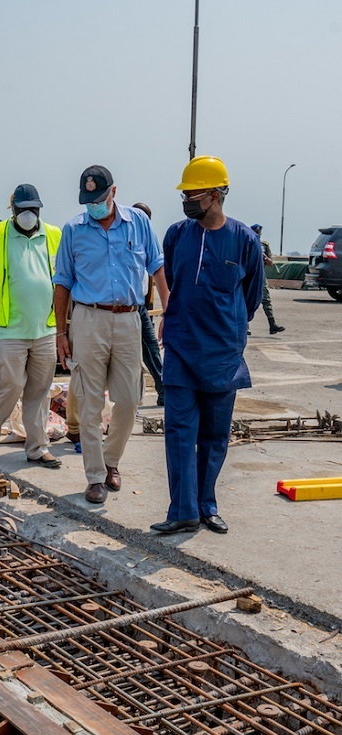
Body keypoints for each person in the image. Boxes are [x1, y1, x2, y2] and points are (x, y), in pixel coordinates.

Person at [150, 156, 264, 536]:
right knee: (179, 431)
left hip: (222, 354)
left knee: (214, 436)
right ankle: (182, 511)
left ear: (215, 195)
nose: (186, 200)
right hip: (181, 347)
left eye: (192, 194)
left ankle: (206, 504)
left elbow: (250, 298)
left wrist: (227, 327)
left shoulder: (244, 240)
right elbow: (174, 282)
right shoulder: (177, 234)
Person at [54, 165, 169, 505]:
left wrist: (170, 309)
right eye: (88, 201)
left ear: (114, 193)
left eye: (99, 199)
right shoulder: (74, 230)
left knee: (129, 400)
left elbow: (157, 265)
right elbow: (62, 282)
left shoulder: (139, 223)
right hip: (89, 319)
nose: (94, 206)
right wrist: (62, 331)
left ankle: (111, 462)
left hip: (130, 320)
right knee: (90, 402)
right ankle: (94, 476)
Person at [0, 183, 62, 468]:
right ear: (13, 210)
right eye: (23, 209)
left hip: (45, 328)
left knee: (40, 390)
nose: (29, 214)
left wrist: (65, 326)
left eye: (33, 209)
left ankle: (37, 447)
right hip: (10, 328)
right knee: (10, 383)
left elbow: (63, 282)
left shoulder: (54, 235)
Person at [131, 202, 165, 407]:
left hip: (141, 305)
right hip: (125, 305)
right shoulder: (123, 238)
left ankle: (164, 390)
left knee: (150, 349)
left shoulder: (147, 240)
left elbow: (156, 272)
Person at [249, 223, 286, 335]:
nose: (258, 233)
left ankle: (272, 324)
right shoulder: (247, 242)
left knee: (266, 300)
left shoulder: (264, 245)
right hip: (249, 275)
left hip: (260, 275)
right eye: (256, 231)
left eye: (259, 232)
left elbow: (270, 262)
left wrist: (266, 259)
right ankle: (245, 326)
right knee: (247, 299)